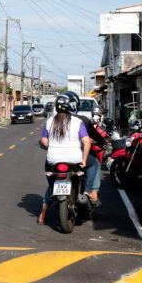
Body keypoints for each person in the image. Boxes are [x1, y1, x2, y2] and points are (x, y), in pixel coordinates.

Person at [37, 94, 92, 225]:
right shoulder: (77, 122)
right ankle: (89, 192)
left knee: (51, 185)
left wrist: (54, 147)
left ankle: (42, 216)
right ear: (73, 106)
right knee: (94, 163)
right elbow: (86, 141)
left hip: (53, 161)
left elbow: (44, 141)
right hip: (74, 160)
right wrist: (84, 160)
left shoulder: (49, 121)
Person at [63, 91, 105, 206]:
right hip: (77, 155)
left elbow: (44, 141)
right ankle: (92, 193)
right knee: (95, 163)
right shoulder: (82, 120)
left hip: (58, 156)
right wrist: (102, 142)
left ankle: (44, 208)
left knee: (52, 181)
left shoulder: (53, 121)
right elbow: (90, 139)